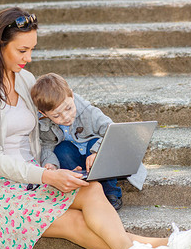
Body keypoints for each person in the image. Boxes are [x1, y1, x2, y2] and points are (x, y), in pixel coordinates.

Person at [0, 7, 191, 249]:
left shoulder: (26, 80)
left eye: (31, 49)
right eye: (22, 50)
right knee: (75, 221)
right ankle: (168, 246)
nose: (28, 58)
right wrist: (46, 176)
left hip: (33, 177)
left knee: (92, 189)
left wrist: (66, 161)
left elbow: (65, 108)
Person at [30, 72, 125, 210]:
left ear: (72, 96)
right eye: (56, 115)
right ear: (44, 114)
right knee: (61, 149)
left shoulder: (89, 112)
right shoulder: (44, 124)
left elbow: (113, 132)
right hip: (75, 161)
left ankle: (111, 193)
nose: (66, 116)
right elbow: (47, 145)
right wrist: (50, 164)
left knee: (96, 144)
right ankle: (80, 189)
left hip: (95, 159)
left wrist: (97, 152)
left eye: (68, 108)